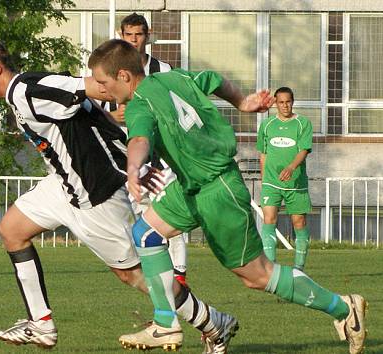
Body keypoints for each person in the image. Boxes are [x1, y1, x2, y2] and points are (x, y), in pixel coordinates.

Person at [88, 39, 367, 354]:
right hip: (191, 186)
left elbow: (139, 138)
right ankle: (166, 322)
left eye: (103, 82)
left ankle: (344, 308)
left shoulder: (140, 103)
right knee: (145, 232)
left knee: (257, 275)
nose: (102, 90)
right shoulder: (173, 78)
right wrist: (242, 102)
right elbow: (213, 79)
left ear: (124, 76)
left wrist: (133, 166)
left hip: (218, 191)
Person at [0, 39, 186, 350]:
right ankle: (41, 325)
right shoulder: (20, 95)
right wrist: (128, 155)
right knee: (11, 230)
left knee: (133, 275)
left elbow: (93, 88)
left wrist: (139, 115)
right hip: (62, 186)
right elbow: (93, 118)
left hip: (92, 194)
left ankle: (210, 320)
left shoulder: (27, 89)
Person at [117, 12, 188, 288]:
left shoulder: (164, 70)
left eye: (139, 34)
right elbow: (103, 114)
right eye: (129, 34)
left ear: (148, 36)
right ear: (121, 35)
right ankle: (163, 287)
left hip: (162, 158)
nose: (134, 40)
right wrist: (116, 116)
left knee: (170, 218)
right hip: (130, 158)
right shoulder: (115, 71)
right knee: (140, 224)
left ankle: (180, 280)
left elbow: (173, 110)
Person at [257, 87, 312, 270]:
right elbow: (263, 154)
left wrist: (291, 167)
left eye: (288, 101)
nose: (285, 106)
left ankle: (299, 268)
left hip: (296, 183)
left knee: (299, 222)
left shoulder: (303, 123)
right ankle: (271, 268)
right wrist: (264, 180)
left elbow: (303, 150)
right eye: (281, 102)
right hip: (271, 183)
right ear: (275, 103)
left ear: (292, 102)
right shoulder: (266, 125)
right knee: (269, 219)